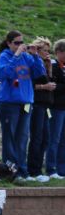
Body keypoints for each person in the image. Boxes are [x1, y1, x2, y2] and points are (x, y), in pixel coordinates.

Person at [0, 30, 46, 182]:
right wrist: (16, 55)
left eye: (21, 42)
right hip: (9, 103)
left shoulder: (27, 57)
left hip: (25, 102)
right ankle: (11, 171)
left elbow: (40, 74)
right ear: (9, 43)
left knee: (22, 138)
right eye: (16, 43)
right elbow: (6, 74)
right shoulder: (5, 56)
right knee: (10, 138)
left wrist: (36, 55)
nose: (20, 45)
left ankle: (22, 171)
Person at [27, 37, 56, 182]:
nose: (47, 53)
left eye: (48, 51)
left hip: (46, 105)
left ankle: (39, 168)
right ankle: (34, 169)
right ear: (37, 50)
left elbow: (49, 81)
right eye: (44, 50)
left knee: (46, 138)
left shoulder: (45, 64)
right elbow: (31, 84)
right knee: (37, 138)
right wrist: (45, 87)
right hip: (37, 104)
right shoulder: (33, 63)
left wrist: (49, 68)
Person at [46, 39, 65, 181]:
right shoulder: (53, 65)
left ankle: (61, 168)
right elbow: (53, 85)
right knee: (54, 139)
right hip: (56, 107)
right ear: (58, 52)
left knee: (63, 140)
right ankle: (51, 168)